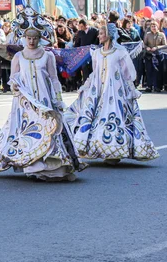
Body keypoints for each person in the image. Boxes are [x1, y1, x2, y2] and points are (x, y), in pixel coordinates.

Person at [0, 9, 85, 181]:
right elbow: (13, 78)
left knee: (49, 129)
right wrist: (15, 89)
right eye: (28, 38)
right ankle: (32, 165)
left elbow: (54, 79)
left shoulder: (48, 56)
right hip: (26, 102)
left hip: (44, 99)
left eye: (34, 38)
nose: (31, 41)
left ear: (40, 39)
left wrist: (58, 98)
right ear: (24, 39)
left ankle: (50, 164)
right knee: (27, 130)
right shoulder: (18, 56)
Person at [64, 23, 159, 164]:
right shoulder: (96, 53)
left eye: (101, 33)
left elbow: (129, 73)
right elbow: (95, 72)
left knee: (114, 118)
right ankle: (98, 148)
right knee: (94, 119)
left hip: (115, 92)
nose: (98, 36)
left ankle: (113, 151)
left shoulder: (120, 52)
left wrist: (130, 89)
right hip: (98, 92)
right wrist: (86, 86)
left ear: (108, 35)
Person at [143, 20, 166, 92]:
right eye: (152, 26)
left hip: (158, 55)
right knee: (149, 70)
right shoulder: (147, 34)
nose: (153, 28)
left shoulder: (161, 34)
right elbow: (144, 44)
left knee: (158, 71)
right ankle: (149, 86)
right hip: (149, 55)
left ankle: (157, 86)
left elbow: (165, 45)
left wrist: (157, 47)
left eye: (155, 26)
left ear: (158, 26)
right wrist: (147, 48)